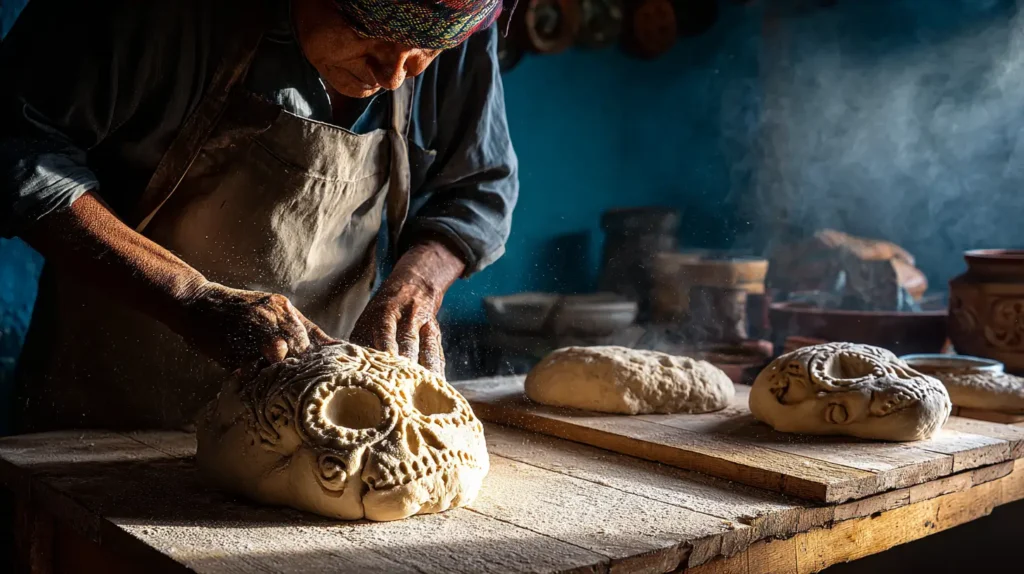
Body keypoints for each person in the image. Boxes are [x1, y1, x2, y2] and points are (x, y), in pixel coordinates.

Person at [0, 0, 518, 431]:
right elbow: (16, 145)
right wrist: (189, 298)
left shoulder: (452, 17)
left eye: (430, 51)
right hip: (102, 422)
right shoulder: (156, 15)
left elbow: (480, 188)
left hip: (315, 427)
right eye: (366, 30)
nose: (395, 74)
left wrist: (416, 287)